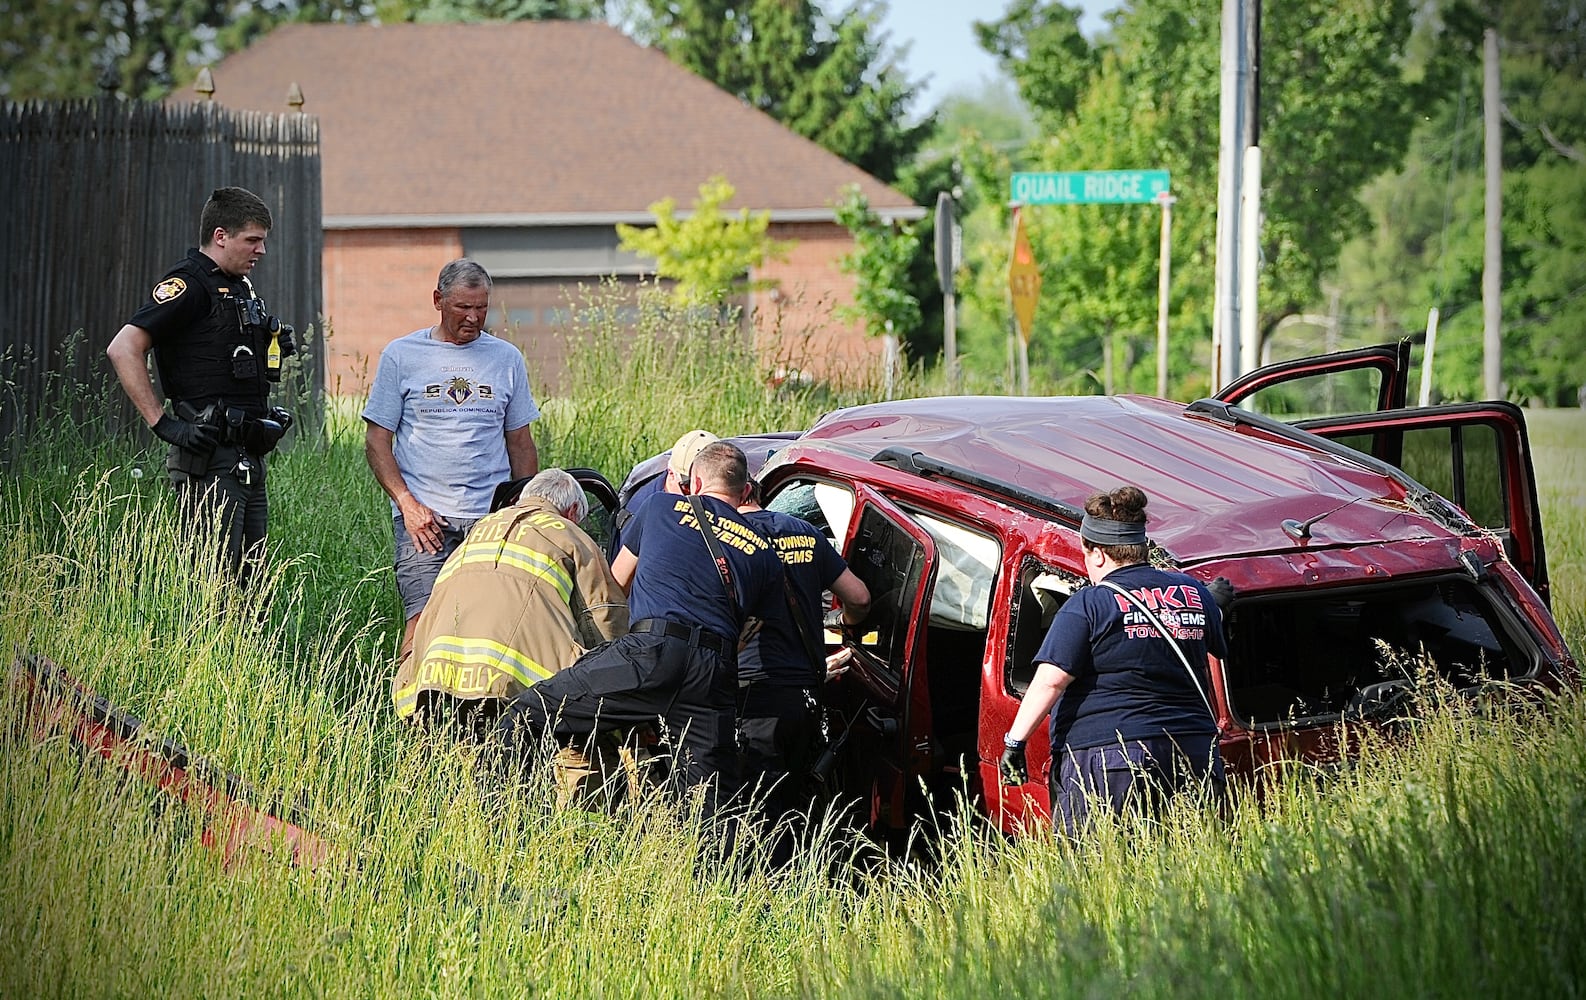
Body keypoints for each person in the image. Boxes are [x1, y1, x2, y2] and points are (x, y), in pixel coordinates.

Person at [498, 441, 783, 818]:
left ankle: (506, 817)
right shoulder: (763, 549)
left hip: (653, 651)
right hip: (713, 671)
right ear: (746, 491)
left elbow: (615, 586)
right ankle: (718, 872)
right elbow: (749, 629)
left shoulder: (661, 507)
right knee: (712, 804)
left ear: (694, 482)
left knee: (527, 713)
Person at [1000, 485, 1227, 838]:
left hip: (1111, 759)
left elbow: (1051, 680)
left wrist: (1015, 743)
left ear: (1098, 555)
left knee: (1101, 868)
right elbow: (1201, 636)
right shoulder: (1194, 593)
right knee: (1192, 864)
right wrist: (1212, 604)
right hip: (1194, 751)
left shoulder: (1089, 604)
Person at [106, 186, 296, 582]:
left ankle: (246, 647)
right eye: (253, 240)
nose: (261, 250)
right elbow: (124, 348)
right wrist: (163, 424)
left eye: (263, 241)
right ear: (221, 236)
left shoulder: (238, 286)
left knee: (251, 586)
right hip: (210, 461)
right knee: (212, 586)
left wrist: (270, 342)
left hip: (247, 456)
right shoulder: (188, 284)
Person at [363, 258, 540, 657]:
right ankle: (410, 711)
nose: (474, 318)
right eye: (463, 307)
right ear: (438, 300)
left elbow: (521, 444)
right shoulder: (402, 356)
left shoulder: (506, 359)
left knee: (492, 622)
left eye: (482, 307)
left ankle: (480, 712)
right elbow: (377, 442)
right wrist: (407, 505)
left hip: (489, 518)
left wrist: (522, 509)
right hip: (425, 518)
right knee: (422, 621)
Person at [391, 468, 629, 740]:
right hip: (518, 675)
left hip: (440, 667)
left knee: (472, 742)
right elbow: (602, 617)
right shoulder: (571, 535)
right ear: (572, 511)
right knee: (579, 744)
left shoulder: (481, 527)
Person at [735, 480, 870, 825]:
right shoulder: (805, 532)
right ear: (754, 489)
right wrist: (841, 620)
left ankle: (764, 871)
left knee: (754, 804)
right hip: (804, 690)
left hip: (751, 689)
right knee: (794, 795)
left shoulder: (725, 537)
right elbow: (860, 598)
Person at [609, 429, 718, 558]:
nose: (702, 496)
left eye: (714, 488)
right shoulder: (647, 512)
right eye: (689, 487)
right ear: (671, 474)